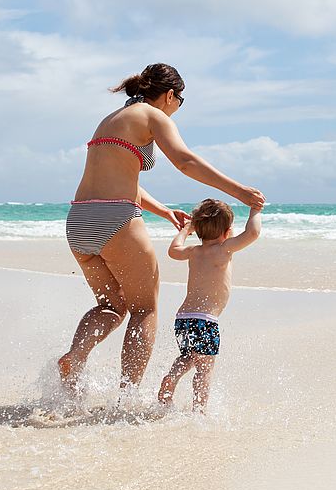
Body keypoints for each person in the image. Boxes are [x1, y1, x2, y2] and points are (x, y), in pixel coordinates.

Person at [58, 64, 265, 397]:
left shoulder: (112, 120)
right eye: (179, 101)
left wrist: (165, 211)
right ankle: (127, 397)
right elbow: (185, 161)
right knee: (144, 309)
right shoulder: (153, 116)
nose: (177, 109)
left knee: (111, 305)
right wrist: (239, 192)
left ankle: (76, 356)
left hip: (79, 220)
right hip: (116, 219)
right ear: (170, 95)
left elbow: (125, 182)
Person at [158, 199, 262, 412]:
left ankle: (172, 377)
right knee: (205, 368)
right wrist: (255, 210)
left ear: (198, 230)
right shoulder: (224, 250)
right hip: (205, 320)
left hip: (183, 318)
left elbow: (173, 250)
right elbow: (253, 233)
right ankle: (200, 409)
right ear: (227, 231)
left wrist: (187, 228)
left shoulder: (194, 251)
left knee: (188, 356)